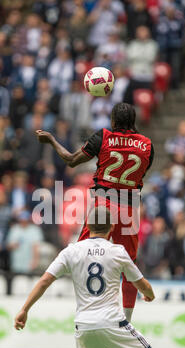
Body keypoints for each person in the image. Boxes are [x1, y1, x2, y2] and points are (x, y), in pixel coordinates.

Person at [14, 207, 159, 348]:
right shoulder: (117, 251)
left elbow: (45, 280)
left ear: (87, 227)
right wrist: (149, 294)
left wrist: (24, 309)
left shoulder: (71, 251)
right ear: (111, 228)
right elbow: (140, 283)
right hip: (111, 321)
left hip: (84, 324)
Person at [36, 102, 154, 322]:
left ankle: (86, 309)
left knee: (80, 254)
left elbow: (71, 160)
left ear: (112, 121)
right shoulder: (147, 144)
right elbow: (142, 173)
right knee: (129, 266)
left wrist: (51, 140)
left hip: (104, 207)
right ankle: (126, 321)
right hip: (129, 209)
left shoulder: (104, 137)